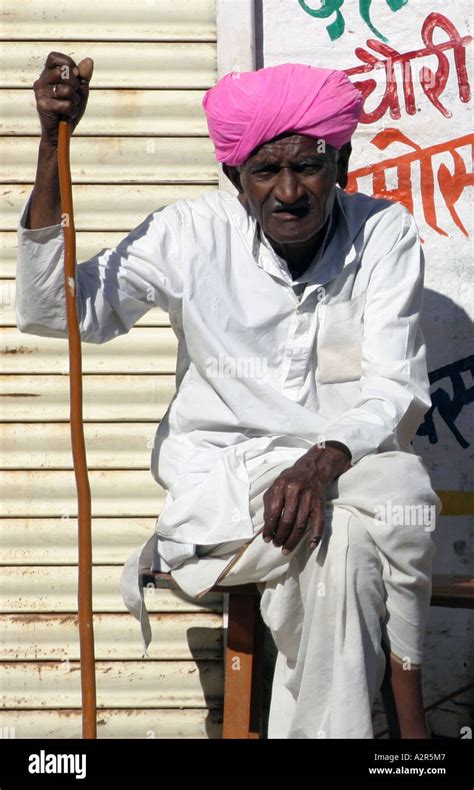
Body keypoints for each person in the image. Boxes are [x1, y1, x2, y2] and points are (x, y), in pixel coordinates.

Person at [17, 53, 440, 739]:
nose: (290, 192)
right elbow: (57, 311)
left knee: (375, 513)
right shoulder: (189, 234)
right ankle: (409, 722)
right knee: (391, 496)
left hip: (337, 487)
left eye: (309, 166)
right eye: (266, 171)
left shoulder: (381, 232)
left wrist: (318, 460)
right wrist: (47, 148)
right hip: (228, 500)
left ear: (343, 162)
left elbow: (394, 389)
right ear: (234, 179)